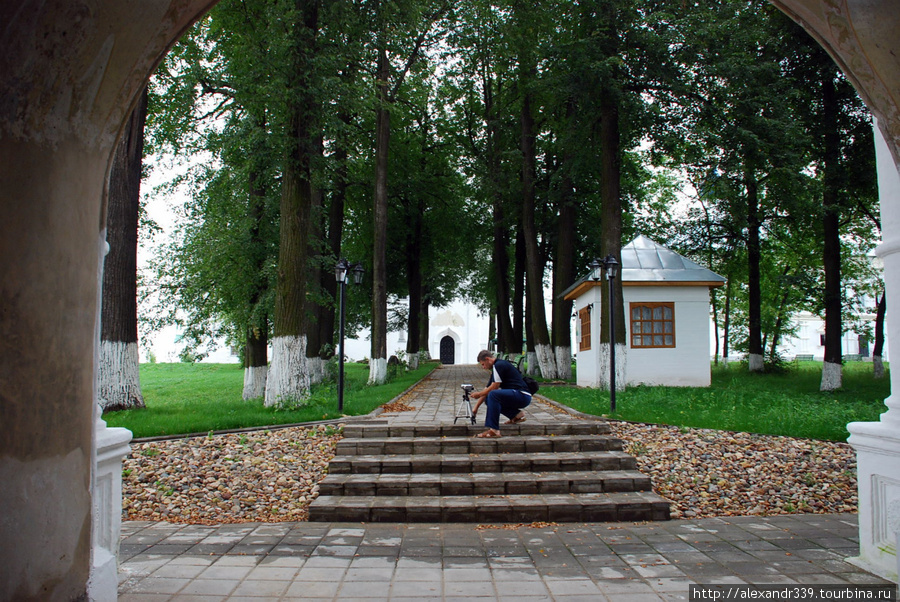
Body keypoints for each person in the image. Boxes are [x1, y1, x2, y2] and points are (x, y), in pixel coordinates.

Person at [470, 350, 531, 438]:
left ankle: (494, 430)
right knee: (489, 399)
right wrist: (476, 408)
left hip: (521, 395)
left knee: (493, 395)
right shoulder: (496, 368)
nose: (483, 367)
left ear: (488, 359)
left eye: (483, 364)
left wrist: (479, 394)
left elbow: (495, 386)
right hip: (517, 395)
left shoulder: (499, 365)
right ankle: (516, 415)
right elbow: (487, 388)